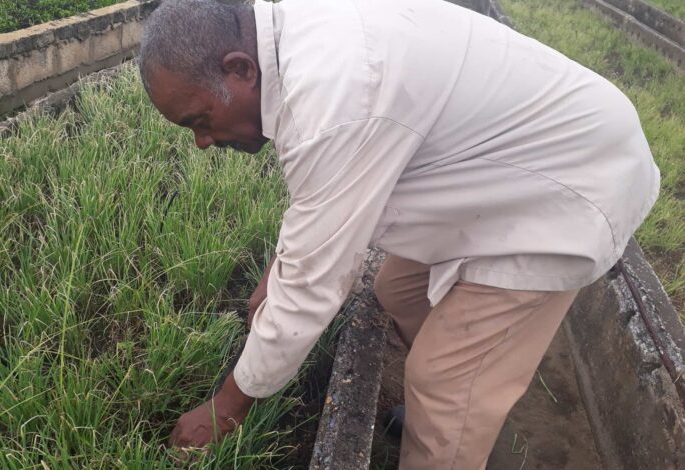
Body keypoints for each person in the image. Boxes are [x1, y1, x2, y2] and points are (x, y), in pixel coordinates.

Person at [137, 0, 660, 467]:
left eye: (200, 119)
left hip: (568, 187)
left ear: (239, 69)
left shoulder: (333, 91)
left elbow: (311, 289)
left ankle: (453, 419)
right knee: (398, 290)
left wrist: (226, 408)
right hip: (505, 165)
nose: (203, 142)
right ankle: (459, 405)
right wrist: (278, 269)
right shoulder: (299, 41)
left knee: (443, 383)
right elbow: (321, 206)